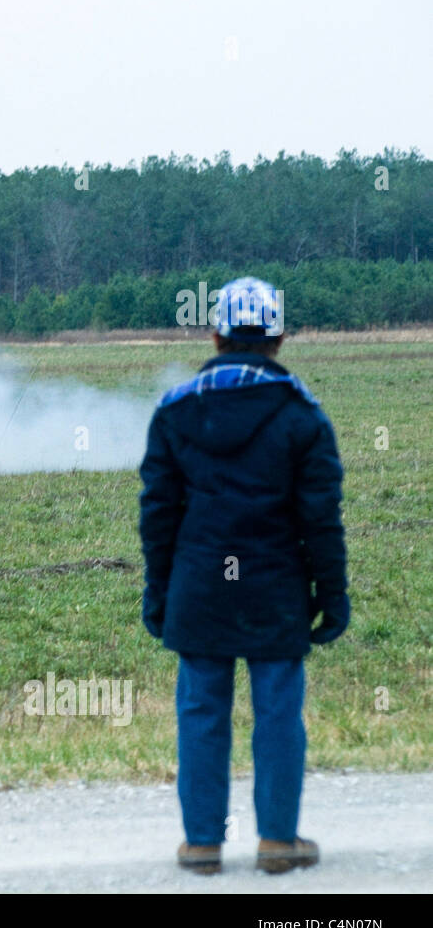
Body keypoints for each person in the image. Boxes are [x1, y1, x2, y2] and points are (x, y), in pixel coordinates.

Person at [139, 276, 348, 876]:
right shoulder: (303, 415)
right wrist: (332, 597)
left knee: (202, 712)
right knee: (279, 712)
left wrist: (160, 593)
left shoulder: (175, 410)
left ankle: (202, 843)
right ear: (280, 338)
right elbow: (321, 520)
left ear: (215, 335)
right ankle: (278, 841)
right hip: (276, 586)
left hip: (200, 586)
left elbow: (158, 516)